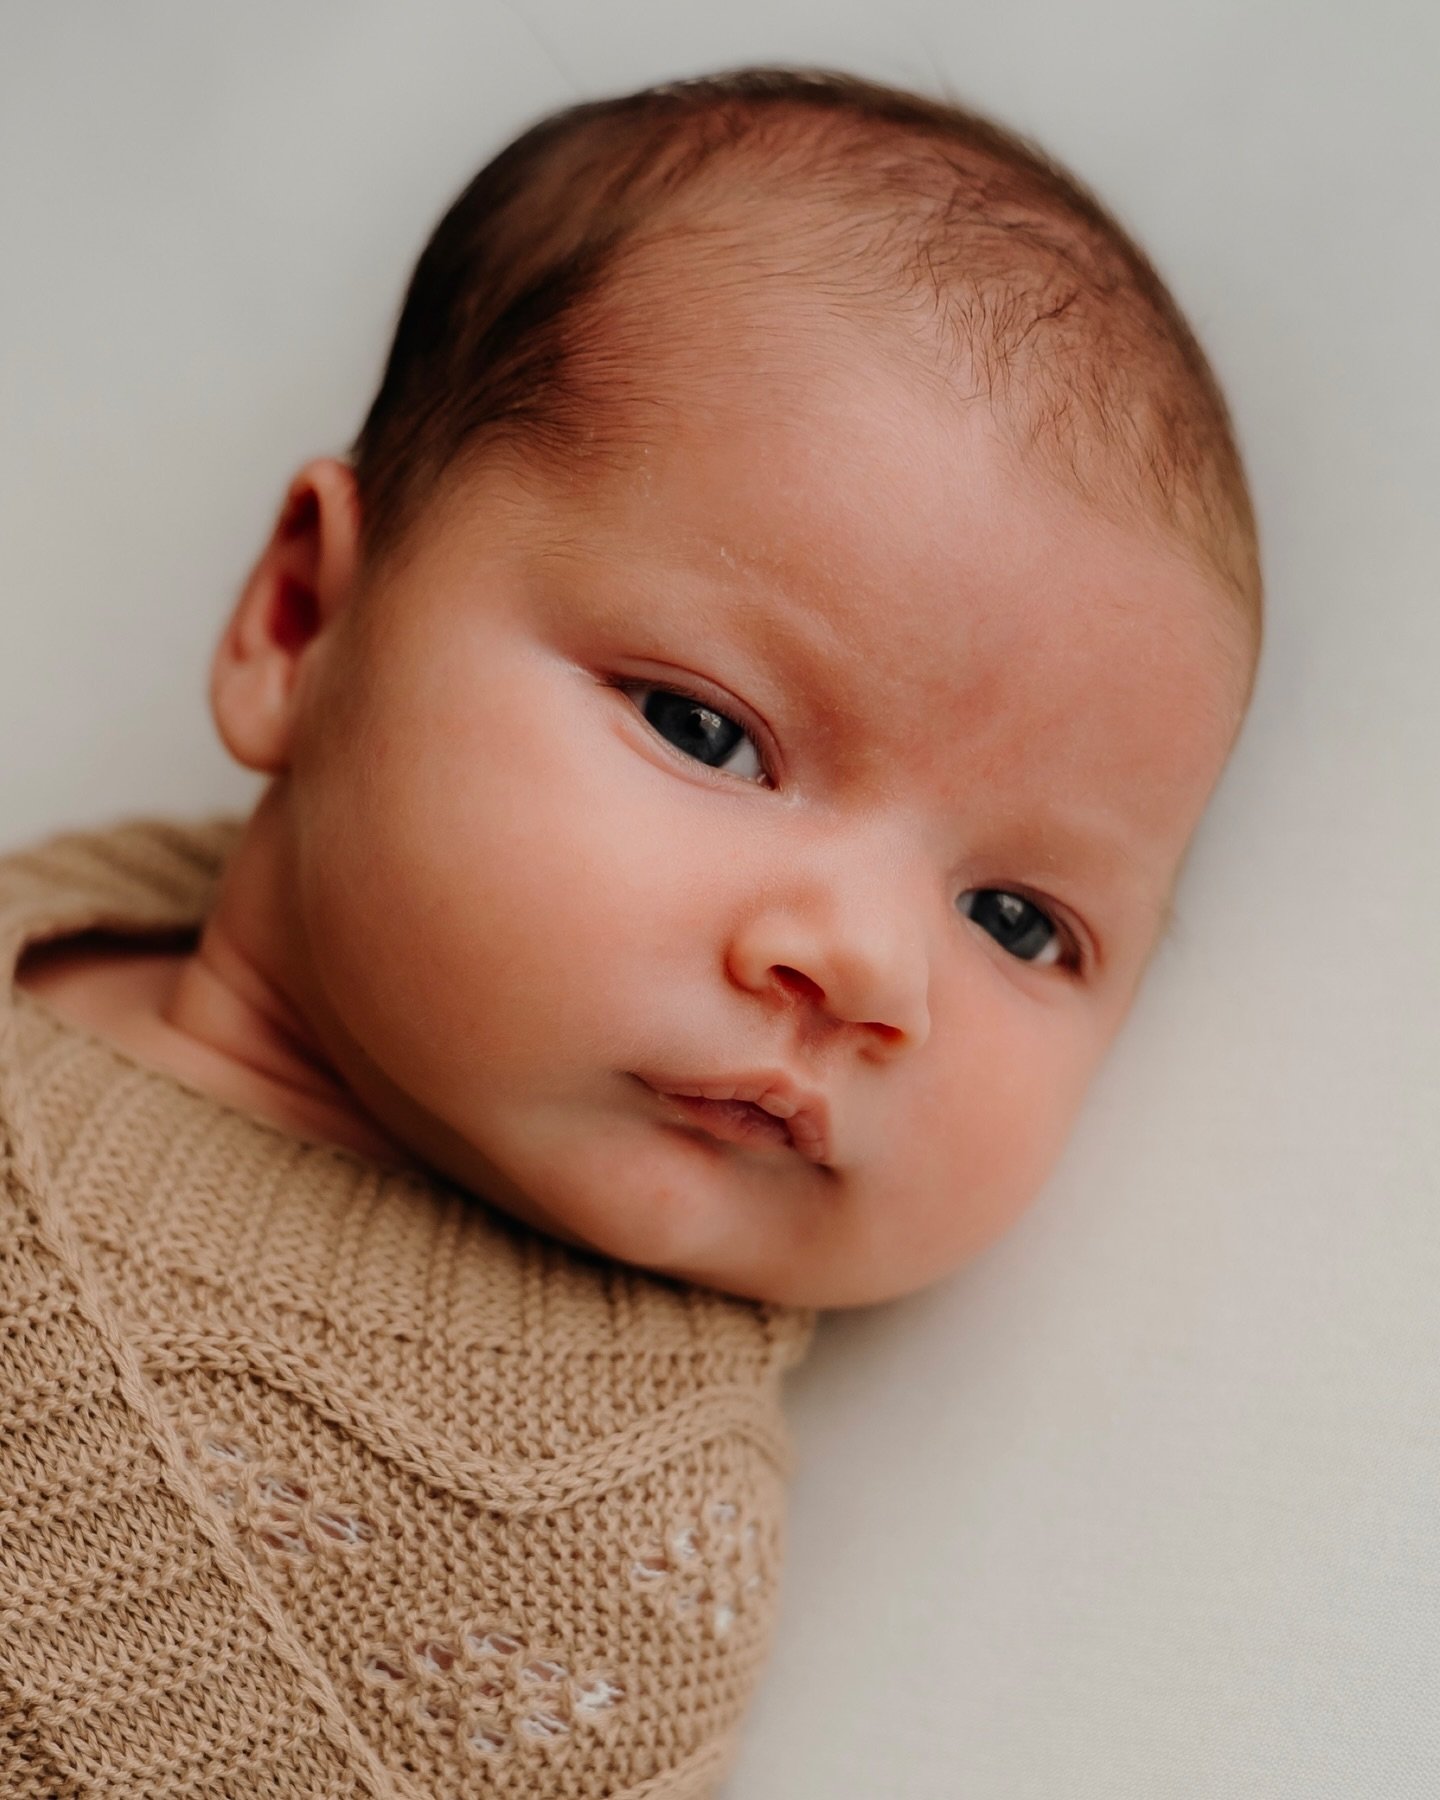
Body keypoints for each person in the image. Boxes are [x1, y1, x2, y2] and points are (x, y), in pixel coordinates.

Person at [0, 66, 1262, 1799]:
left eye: (1017, 920)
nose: (868, 967)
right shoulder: (61, 904)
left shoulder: (595, 1563)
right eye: (706, 731)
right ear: (305, 620)